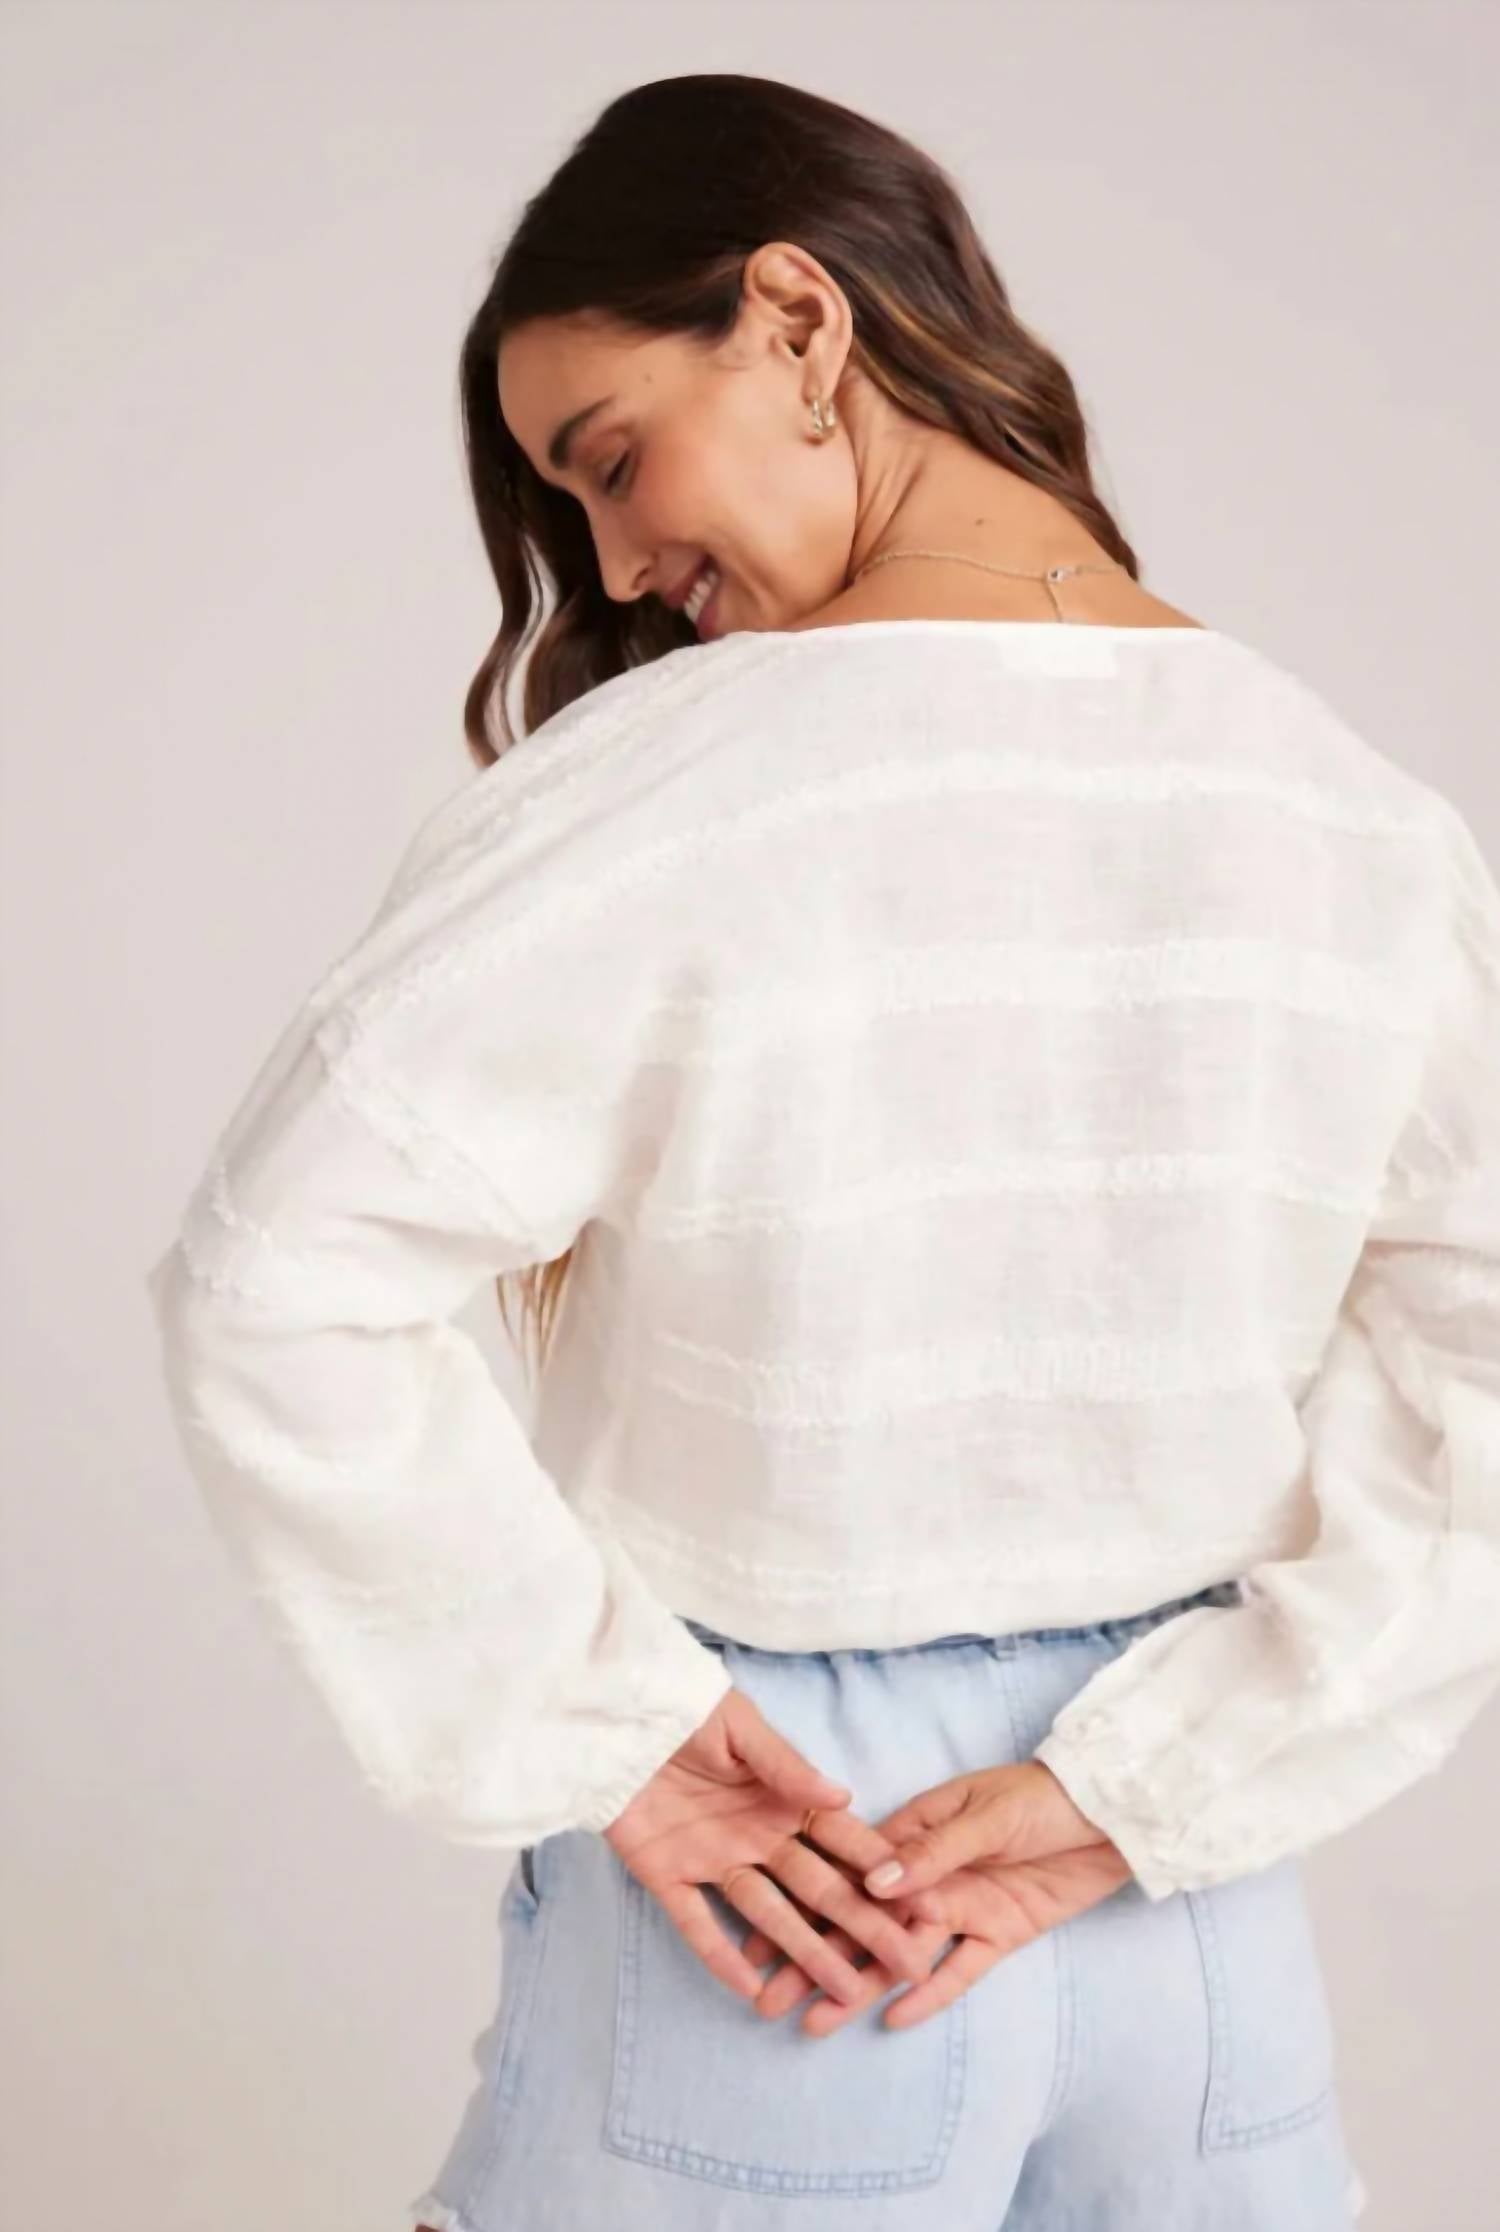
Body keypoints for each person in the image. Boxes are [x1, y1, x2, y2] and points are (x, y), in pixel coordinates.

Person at [143, 73, 1500, 2232]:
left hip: (793, 1916)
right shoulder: (1348, 809)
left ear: (796, 320)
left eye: (609, 460)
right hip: (1189, 1942)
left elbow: (270, 1279)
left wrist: (604, 1727)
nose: (613, 565)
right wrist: (1168, 1778)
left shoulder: (669, 787)